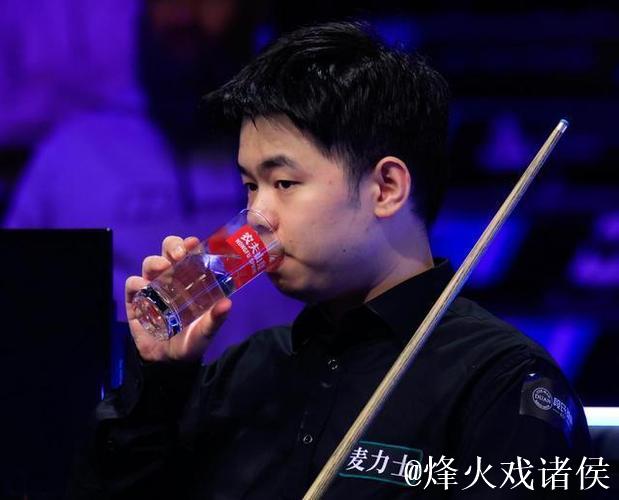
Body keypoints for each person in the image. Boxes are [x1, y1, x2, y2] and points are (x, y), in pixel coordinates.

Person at [69, 21, 592, 499]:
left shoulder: (501, 381)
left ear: (386, 188)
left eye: (283, 183)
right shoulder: (243, 372)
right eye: (250, 185)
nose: (256, 217)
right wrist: (160, 381)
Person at [3, 0, 302, 364]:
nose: (183, 13)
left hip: (286, 389)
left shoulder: (298, 146)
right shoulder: (70, 155)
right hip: (125, 391)